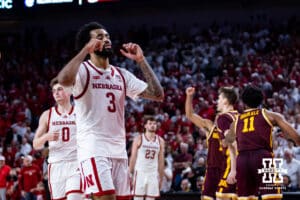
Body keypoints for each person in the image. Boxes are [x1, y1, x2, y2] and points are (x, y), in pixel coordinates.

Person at [57, 21, 164, 200]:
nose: (106, 40)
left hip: (118, 151)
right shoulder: (83, 71)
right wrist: (84, 51)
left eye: (107, 36)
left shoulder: (121, 74)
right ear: (89, 44)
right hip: (93, 148)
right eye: (100, 37)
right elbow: (64, 80)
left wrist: (141, 61)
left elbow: (157, 94)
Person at [225, 85, 300, 200]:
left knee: (245, 198)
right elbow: (297, 138)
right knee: (271, 197)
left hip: (242, 160)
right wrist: (289, 139)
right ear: (262, 100)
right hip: (262, 157)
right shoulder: (271, 115)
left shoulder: (236, 122)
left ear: (243, 102)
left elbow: (227, 141)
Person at [33, 79, 83, 200]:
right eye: (54, 91)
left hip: (76, 162)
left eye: (60, 89)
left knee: (74, 197)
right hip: (56, 165)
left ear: (70, 91)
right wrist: (46, 136)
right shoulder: (47, 115)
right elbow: (35, 144)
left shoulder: (80, 112)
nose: (56, 93)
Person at [185, 86, 238, 200]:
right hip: (212, 170)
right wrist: (189, 97)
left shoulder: (233, 121)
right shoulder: (210, 126)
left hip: (227, 166)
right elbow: (190, 115)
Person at [129, 117, 165, 200]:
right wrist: (130, 173)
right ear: (145, 126)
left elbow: (161, 160)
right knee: (137, 198)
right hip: (140, 172)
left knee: (151, 199)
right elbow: (133, 157)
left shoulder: (160, 141)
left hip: (153, 173)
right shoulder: (138, 138)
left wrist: (161, 177)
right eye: (150, 123)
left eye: (154, 124)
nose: (153, 125)